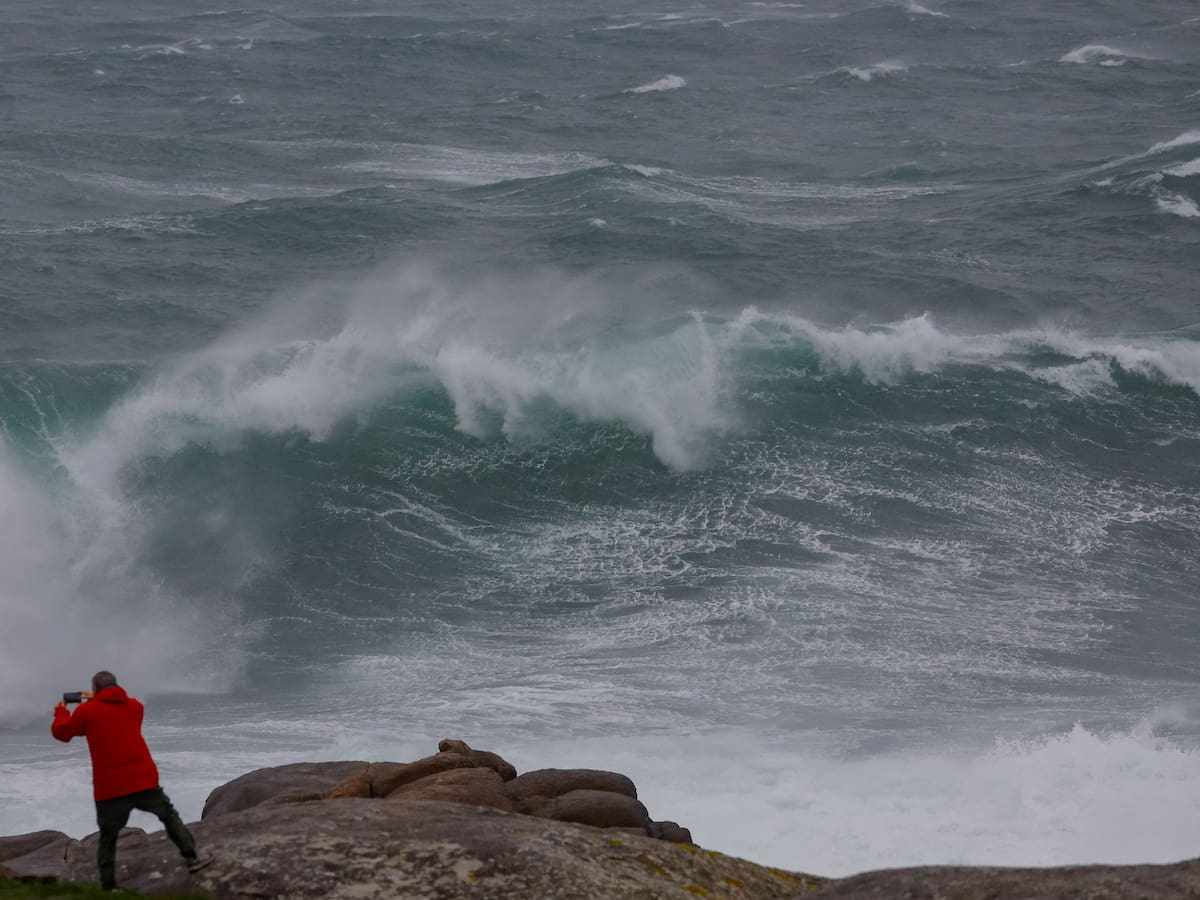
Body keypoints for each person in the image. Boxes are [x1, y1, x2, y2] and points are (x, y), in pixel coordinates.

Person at [52, 671, 213, 891]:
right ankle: (192, 859)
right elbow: (120, 704)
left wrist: (61, 712)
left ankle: (108, 886)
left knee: (108, 836)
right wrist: (97, 697)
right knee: (169, 816)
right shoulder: (135, 707)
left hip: (111, 787)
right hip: (143, 780)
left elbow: (63, 733)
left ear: (96, 689)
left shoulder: (86, 711)